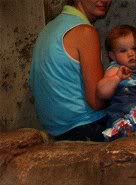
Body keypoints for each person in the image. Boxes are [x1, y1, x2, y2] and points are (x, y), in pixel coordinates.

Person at [29, 0, 113, 141]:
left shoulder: (49, 28)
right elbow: (96, 102)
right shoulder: (85, 32)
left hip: (56, 131)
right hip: (85, 127)